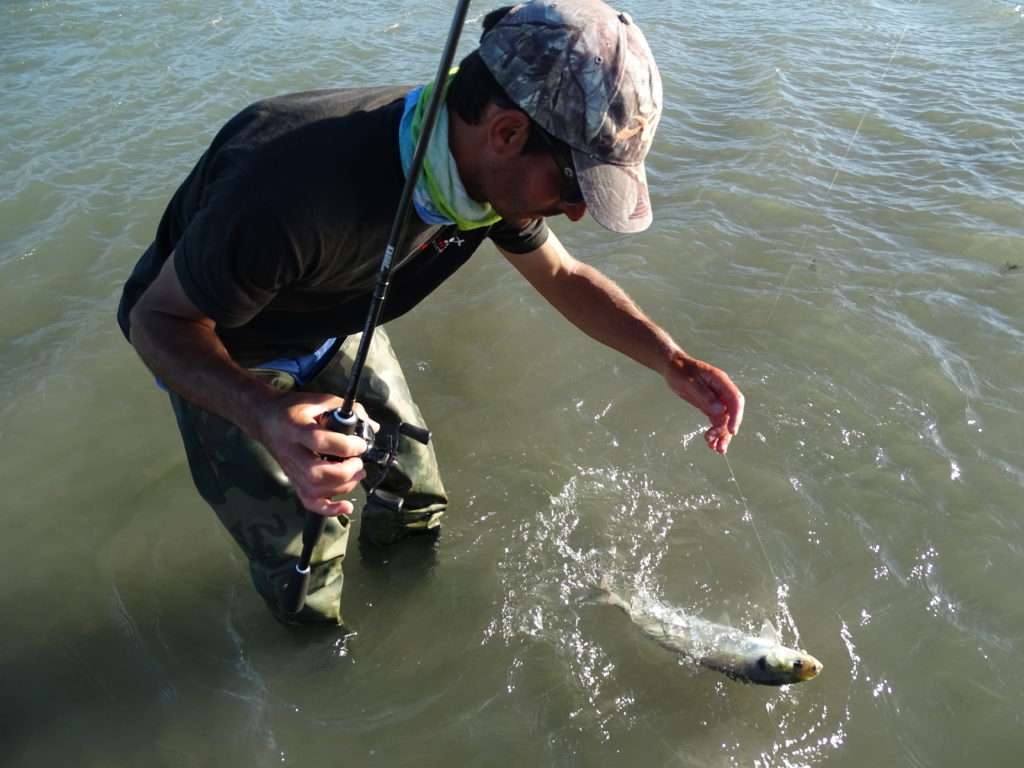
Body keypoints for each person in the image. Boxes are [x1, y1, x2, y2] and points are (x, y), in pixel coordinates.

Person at [117, 0, 744, 625]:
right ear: (505, 133)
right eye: (576, 187)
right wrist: (266, 416)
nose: (578, 212)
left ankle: (410, 608)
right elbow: (156, 323)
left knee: (412, 483)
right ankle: (316, 653)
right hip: (223, 347)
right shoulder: (286, 194)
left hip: (336, 318)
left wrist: (670, 359)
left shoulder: (491, 176)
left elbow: (564, 275)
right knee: (305, 540)